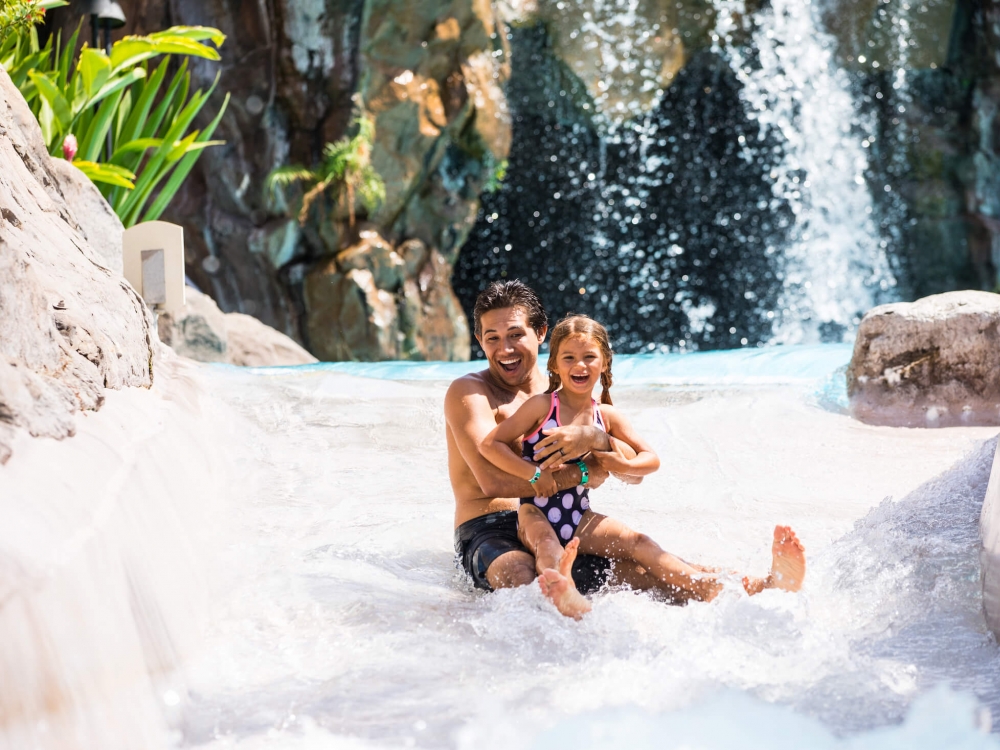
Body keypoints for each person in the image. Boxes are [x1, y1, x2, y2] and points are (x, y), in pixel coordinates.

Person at [479, 314, 807, 618]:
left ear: (604, 362)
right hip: (533, 512)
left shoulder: (605, 416)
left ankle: (708, 585)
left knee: (641, 543)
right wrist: (532, 474)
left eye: (589, 357)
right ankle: (564, 592)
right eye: (569, 358)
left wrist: (618, 459)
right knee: (547, 545)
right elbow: (490, 444)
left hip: (578, 516)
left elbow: (649, 459)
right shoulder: (540, 406)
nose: (580, 365)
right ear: (555, 365)